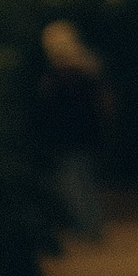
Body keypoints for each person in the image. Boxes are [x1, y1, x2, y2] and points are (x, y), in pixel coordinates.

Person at [36, 19, 111, 241]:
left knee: (73, 182)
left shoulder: (58, 77)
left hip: (68, 136)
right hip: (84, 134)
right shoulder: (88, 71)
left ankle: (88, 227)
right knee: (83, 180)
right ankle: (92, 226)